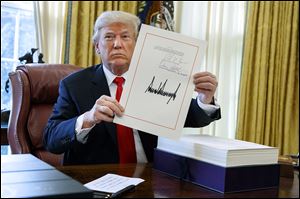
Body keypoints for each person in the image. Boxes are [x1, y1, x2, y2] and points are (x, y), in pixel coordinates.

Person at [43, 11, 221, 165]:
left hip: (151, 175)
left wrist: (205, 100)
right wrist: (88, 118)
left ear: (137, 46)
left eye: (125, 37)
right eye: (109, 37)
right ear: (97, 47)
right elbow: (51, 139)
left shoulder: (155, 78)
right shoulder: (74, 85)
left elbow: (190, 116)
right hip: (98, 178)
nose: (118, 44)